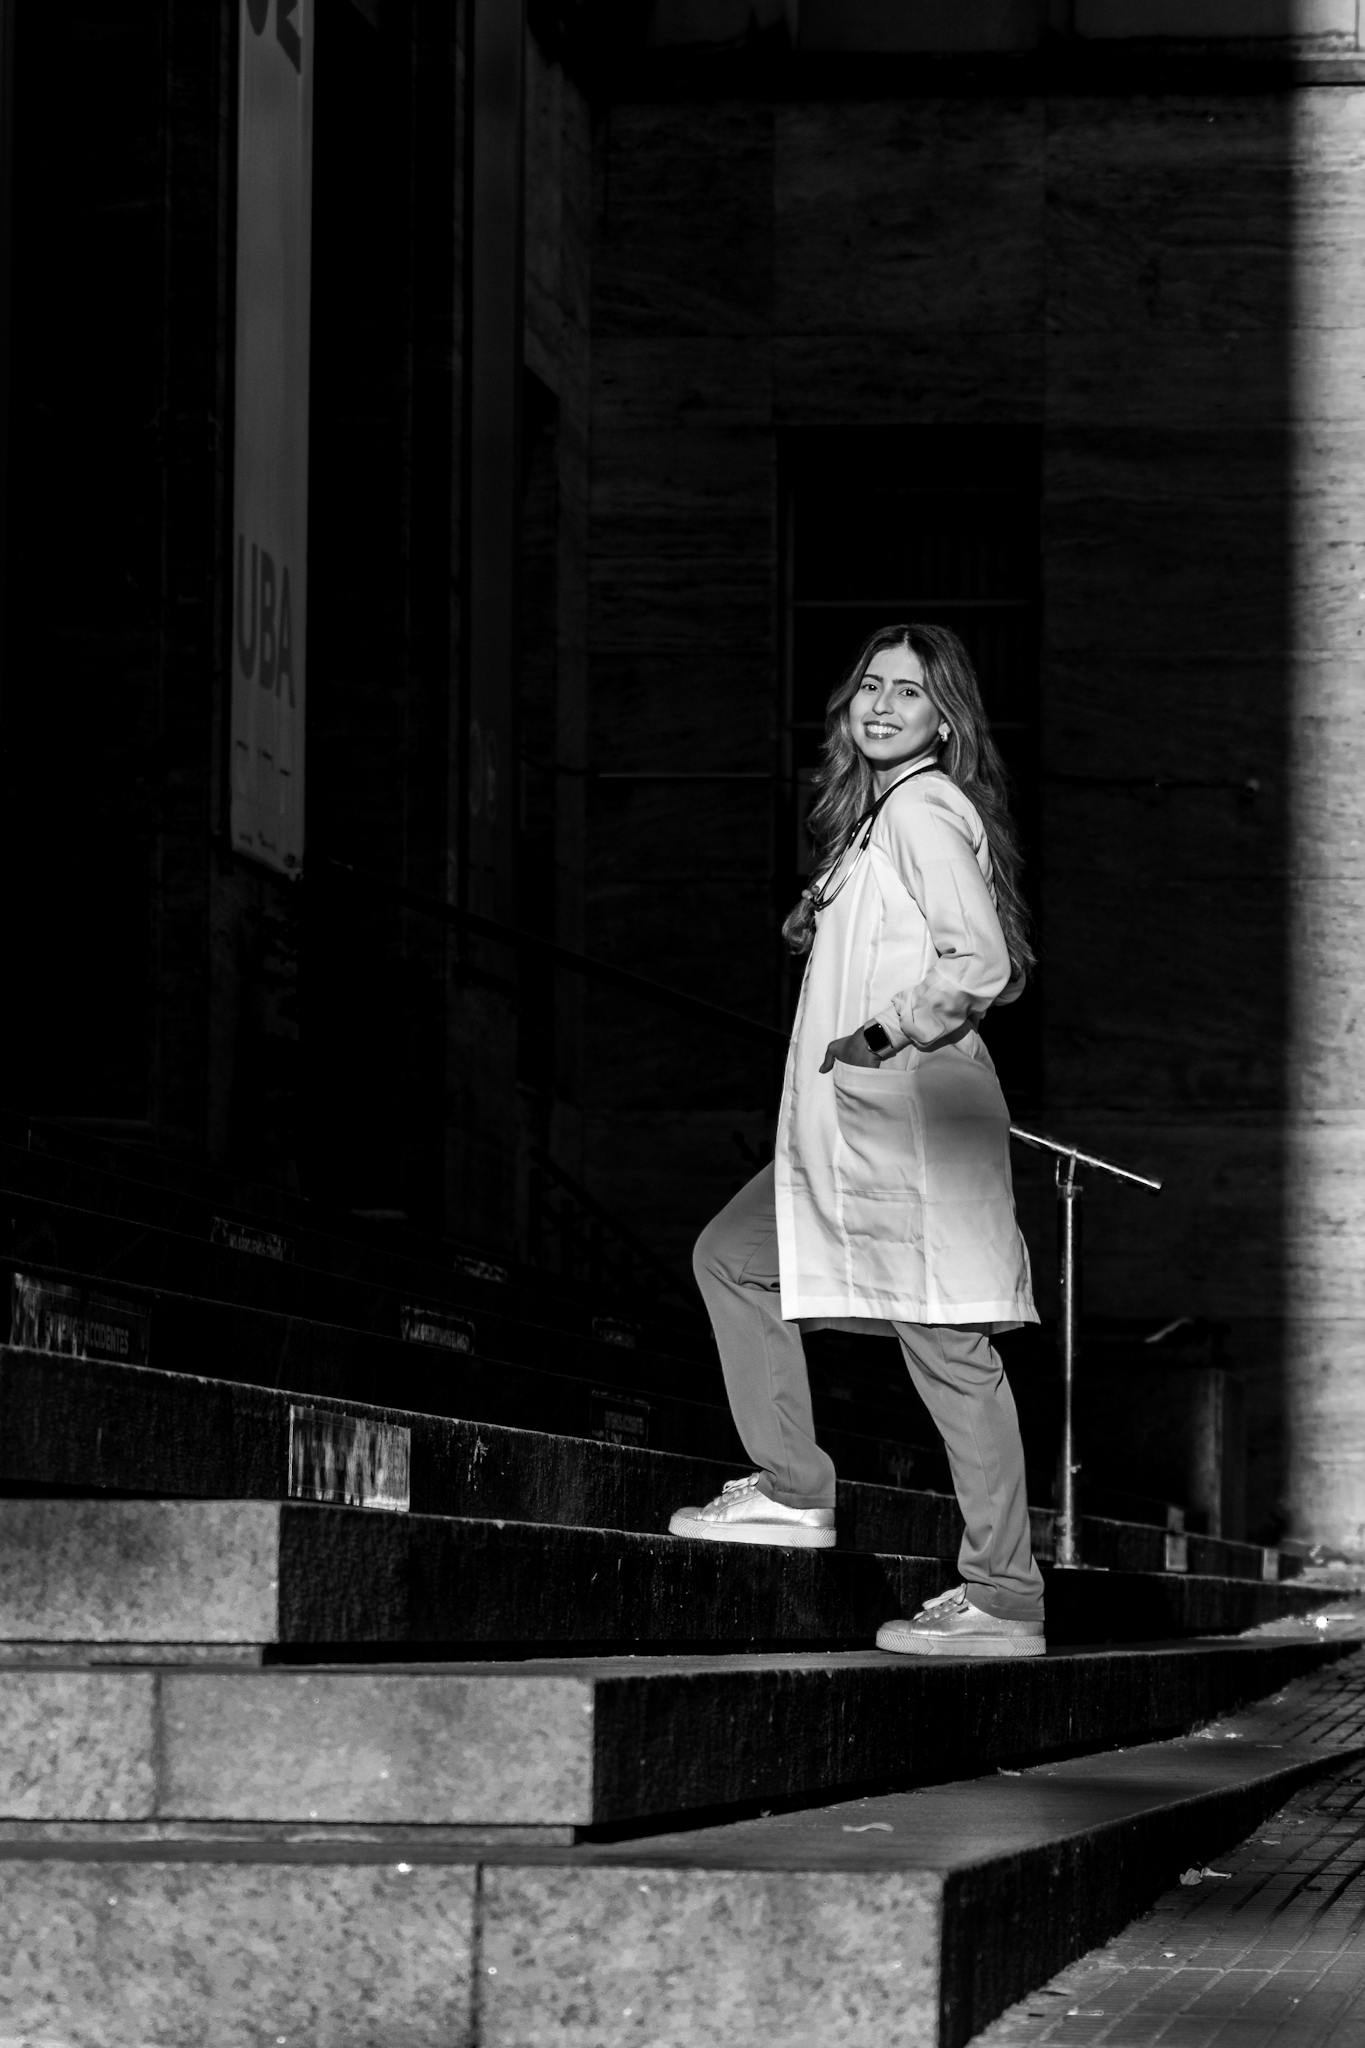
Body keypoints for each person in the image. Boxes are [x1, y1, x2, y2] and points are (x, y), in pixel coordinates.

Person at [668, 623, 1045, 1659]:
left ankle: (1005, 1593)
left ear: (943, 717)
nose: (882, 704)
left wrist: (880, 1031)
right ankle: (794, 1487)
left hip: (913, 1116)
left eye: (908, 693)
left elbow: (982, 962)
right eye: (870, 686)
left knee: (951, 1344)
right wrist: (819, 920)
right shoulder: (884, 817)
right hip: (863, 1126)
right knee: (736, 1259)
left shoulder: (923, 806)